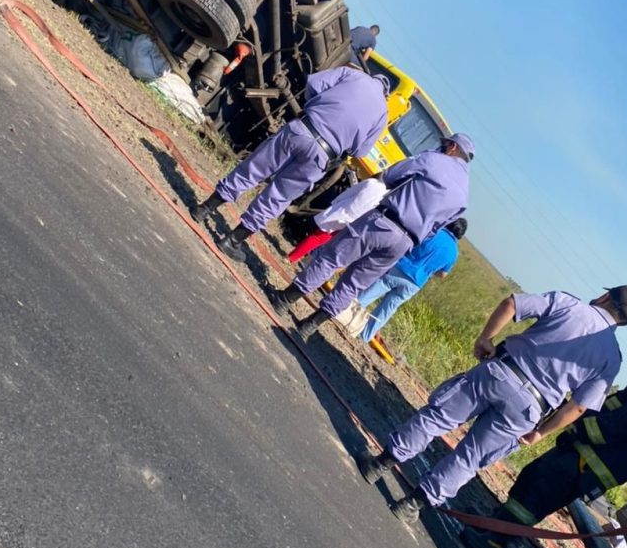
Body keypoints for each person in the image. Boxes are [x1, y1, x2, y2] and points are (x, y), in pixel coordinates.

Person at [356, 285, 627, 528]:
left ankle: (379, 464)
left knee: (437, 418)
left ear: (605, 297)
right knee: (471, 457)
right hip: (530, 408)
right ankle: (411, 505)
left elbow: (512, 304)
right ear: (624, 322)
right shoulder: (612, 359)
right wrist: (541, 433)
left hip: (500, 371)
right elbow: (579, 407)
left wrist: (486, 338)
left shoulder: (568, 303)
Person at [269, 132, 473, 339]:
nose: (441, 147)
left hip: (384, 221)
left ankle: (284, 300)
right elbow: (436, 228)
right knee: (355, 283)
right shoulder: (463, 197)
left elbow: (391, 176)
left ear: (452, 147)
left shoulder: (434, 160)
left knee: (332, 258)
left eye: (443, 144)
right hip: (405, 242)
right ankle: (310, 326)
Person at [190, 68, 390, 262]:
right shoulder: (382, 113)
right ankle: (232, 240)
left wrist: (313, 107)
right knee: (279, 196)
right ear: (386, 93)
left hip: (302, 128)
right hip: (323, 154)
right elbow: (359, 152)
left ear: (374, 77)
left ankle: (204, 209)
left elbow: (313, 83)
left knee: (253, 169)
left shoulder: (352, 74)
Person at [460, 376, 627, 548]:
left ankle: (496, 541)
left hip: (587, 462)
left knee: (536, 497)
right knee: (531, 480)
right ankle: (493, 524)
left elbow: (617, 425)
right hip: (581, 452)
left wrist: (578, 426)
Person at [357, 217, 467, 342]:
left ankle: (347, 315)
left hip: (401, 267)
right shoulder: (454, 253)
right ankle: (364, 337)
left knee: (370, 293)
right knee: (387, 309)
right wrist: (429, 270)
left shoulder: (434, 232)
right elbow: (443, 274)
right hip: (415, 283)